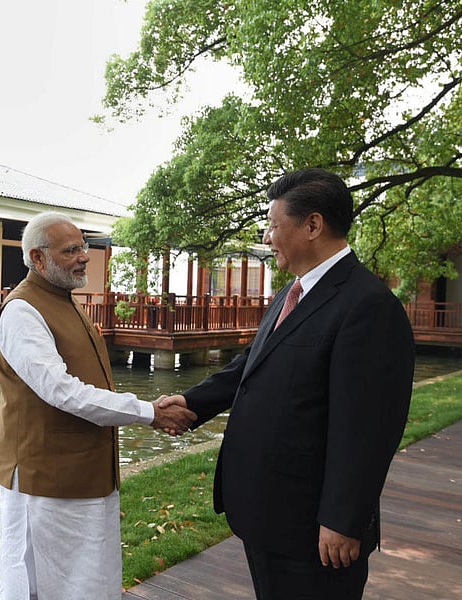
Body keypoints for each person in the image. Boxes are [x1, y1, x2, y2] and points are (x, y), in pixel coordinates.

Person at [160, 168, 415, 599]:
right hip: (266, 513)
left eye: (273, 226)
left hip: (315, 529)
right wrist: (191, 402)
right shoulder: (292, 291)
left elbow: (368, 430)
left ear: (313, 225)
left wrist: (342, 519)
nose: (267, 237)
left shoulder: (369, 307)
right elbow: (252, 365)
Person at [0, 211, 196, 600]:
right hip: (46, 479)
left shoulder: (63, 299)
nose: (84, 256)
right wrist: (149, 412)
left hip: (83, 471)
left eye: (83, 247)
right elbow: (61, 391)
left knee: (88, 579)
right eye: (71, 250)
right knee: (49, 584)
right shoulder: (23, 311)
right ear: (38, 258)